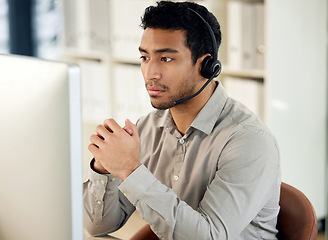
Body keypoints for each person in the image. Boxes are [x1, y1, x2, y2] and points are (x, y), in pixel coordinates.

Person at [83, 1, 281, 239]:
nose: (150, 73)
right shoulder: (147, 128)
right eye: (145, 58)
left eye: (165, 59)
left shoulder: (248, 140)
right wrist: (105, 167)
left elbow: (207, 236)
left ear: (206, 65)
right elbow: (98, 227)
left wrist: (130, 169)